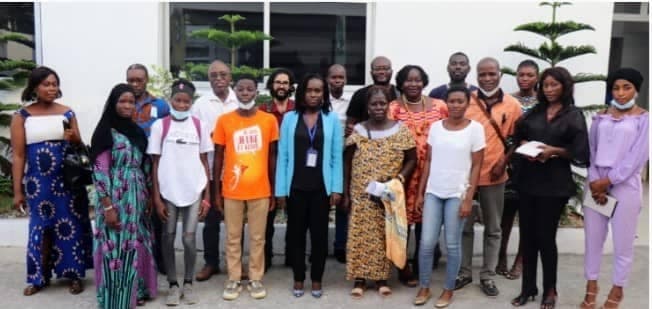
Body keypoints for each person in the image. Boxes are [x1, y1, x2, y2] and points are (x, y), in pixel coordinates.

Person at [510, 67, 589, 309]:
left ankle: (550, 290)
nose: (550, 89)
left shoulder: (573, 115)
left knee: (545, 238)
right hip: (528, 182)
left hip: (554, 186)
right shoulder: (536, 111)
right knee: (529, 237)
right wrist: (527, 146)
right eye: (546, 85)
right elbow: (518, 135)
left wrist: (552, 151)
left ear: (565, 86)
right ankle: (528, 288)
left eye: (554, 85)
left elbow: (580, 152)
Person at [11, 66, 92, 296]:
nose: (51, 88)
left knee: (71, 226)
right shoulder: (22, 116)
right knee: (41, 228)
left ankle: (74, 275)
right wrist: (17, 191)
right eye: (46, 84)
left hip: (67, 181)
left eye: (54, 84)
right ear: (34, 87)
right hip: (38, 184)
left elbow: (78, 145)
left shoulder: (67, 113)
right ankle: (39, 277)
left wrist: (74, 137)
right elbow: (18, 156)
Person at [580, 68, 648, 309]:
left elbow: (637, 158)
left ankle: (618, 289)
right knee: (592, 241)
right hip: (595, 185)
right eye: (616, 88)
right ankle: (591, 286)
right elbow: (592, 150)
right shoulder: (600, 117)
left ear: (636, 89)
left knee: (623, 242)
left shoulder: (644, 119)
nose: (620, 93)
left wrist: (607, 181)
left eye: (626, 87)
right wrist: (596, 182)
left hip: (624, 187)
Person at [456, 57, 522, 297]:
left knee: (493, 228)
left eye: (491, 74)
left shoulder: (512, 105)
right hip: (466, 176)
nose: (487, 78)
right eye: (482, 74)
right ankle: (464, 272)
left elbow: (516, 138)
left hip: (495, 175)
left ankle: (488, 275)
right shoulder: (467, 101)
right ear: (476, 76)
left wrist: (503, 162)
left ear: (500, 75)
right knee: (464, 227)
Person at [414, 86, 485, 307]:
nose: (455, 105)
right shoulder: (436, 127)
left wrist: (468, 199)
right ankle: (424, 286)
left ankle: (448, 289)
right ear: (446, 103)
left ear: (467, 104)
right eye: (451, 101)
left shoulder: (475, 129)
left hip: (457, 193)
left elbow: (476, 166)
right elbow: (428, 161)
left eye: (460, 101)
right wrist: (420, 193)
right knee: (426, 244)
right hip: (434, 191)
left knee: (452, 244)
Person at [344, 85, 417, 299]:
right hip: (361, 192)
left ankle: (381, 279)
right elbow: (347, 161)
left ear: (389, 105)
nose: (378, 107)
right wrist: (347, 193)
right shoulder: (358, 130)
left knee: (385, 233)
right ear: (367, 107)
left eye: (382, 103)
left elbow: (412, 158)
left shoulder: (400, 129)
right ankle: (359, 279)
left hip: (388, 193)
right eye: (374, 104)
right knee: (360, 233)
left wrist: (398, 179)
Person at [276, 74, 343, 298]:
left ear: (324, 94)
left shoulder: (332, 119)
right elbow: (283, 156)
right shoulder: (289, 118)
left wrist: (336, 188)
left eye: (318, 91)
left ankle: (316, 279)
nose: (314, 95)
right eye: (310, 90)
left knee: (319, 237)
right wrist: (281, 191)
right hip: (295, 188)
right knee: (296, 236)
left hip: (321, 190)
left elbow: (336, 157)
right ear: (302, 92)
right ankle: (298, 278)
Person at [89, 83, 157, 308]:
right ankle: (115, 297)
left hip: (137, 197)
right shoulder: (104, 132)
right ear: (113, 104)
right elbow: (99, 171)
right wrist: (108, 206)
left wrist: (148, 195)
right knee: (115, 246)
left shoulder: (136, 131)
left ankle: (136, 291)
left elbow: (145, 165)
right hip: (115, 198)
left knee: (135, 243)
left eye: (131, 102)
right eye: (122, 101)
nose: (127, 106)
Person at [213, 74, 279, 300]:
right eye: (241, 89)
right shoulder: (224, 120)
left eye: (249, 89)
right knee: (232, 237)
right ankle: (233, 279)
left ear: (256, 91)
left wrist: (273, 190)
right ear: (235, 91)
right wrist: (216, 192)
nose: (245, 94)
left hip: (260, 190)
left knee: (258, 237)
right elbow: (218, 158)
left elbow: (272, 157)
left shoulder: (268, 120)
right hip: (232, 190)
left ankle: (255, 278)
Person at [148, 79, 212, 306]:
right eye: (178, 100)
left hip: (194, 190)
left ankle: (189, 283)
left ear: (191, 102)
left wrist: (207, 196)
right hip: (167, 191)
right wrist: (156, 197)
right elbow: (155, 163)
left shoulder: (198, 126)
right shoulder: (160, 126)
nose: (182, 105)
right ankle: (173, 285)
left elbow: (205, 161)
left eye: (186, 101)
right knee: (167, 237)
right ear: (171, 100)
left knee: (188, 239)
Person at [388, 64, 448, 286]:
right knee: (402, 220)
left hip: (433, 171)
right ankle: (403, 267)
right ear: (401, 83)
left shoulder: (440, 106)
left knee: (428, 218)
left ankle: (424, 262)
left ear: (424, 82)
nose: (413, 84)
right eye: (408, 80)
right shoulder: (393, 108)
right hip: (403, 172)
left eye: (417, 80)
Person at [191, 60, 238, 282]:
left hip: (237, 170)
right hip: (210, 170)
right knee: (210, 220)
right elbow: (194, 136)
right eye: (213, 76)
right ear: (208, 79)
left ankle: (235, 263)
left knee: (235, 220)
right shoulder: (200, 105)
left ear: (230, 77)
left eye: (223, 75)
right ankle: (211, 263)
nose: (218, 79)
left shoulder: (240, 101)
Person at [496, 59, 540, 280]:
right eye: (521, 74)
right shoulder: (508, 99)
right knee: (506, 214)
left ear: (537, 77)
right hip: (511, 162)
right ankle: (501, 255)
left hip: (535, 165)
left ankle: (520, 260)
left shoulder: (544, 101)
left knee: (527, 216)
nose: (524, 79)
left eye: (529, 75)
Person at [126, 63, 170, 274]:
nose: (135, 84)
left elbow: (170, 132)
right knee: (133, 212)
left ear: (146, 81)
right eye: (131, 80)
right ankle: (135, 259)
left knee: (156, 212)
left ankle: (160, 261)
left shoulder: (160, 106)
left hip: (155, 165)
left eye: (139, 80)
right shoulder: (123, 103)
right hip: (129, 166)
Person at [262, 68, 296, 269]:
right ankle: (265, 259)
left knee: (295, 218)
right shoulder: (263, 110)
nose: (281, 86)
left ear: (290, 86)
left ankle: (292, 257)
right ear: (271, 86)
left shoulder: (298, 108)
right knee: (266, 219)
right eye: (277, 82)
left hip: (293, 170)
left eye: (285, 82)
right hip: (268, 169)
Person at [326, 64, 350, 263]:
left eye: (341, 77)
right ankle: (319, 246)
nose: (337, 81)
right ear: (328, 79)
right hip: (320, 157)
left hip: (342, 158)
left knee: (342, 202)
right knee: (320, 204)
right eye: (334, 77)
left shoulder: (350, 103)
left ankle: (341, 246)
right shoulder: (319, 101)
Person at [345, 56, 399, 136]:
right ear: (371, 72)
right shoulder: (359, 94)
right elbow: (350, 124)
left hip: (395, 141)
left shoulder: (400, 94)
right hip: (366, 142)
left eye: (385, 68)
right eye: (377, 69)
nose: (382, 72)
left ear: (391, 71)